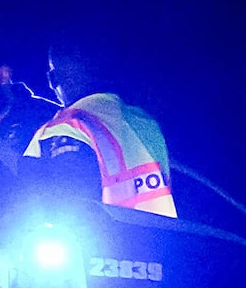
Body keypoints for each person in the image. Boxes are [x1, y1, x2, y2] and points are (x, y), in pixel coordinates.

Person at [30, 37, 178, 216]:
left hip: (101, 241)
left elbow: (65, 209)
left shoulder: (65, 127)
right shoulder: (144, 122)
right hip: (160, 240)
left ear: (54, 79)